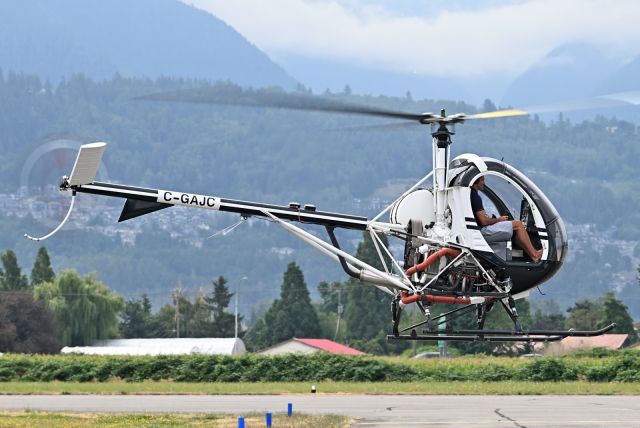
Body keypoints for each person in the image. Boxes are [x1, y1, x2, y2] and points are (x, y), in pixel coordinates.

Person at [470, 176, 543, 262]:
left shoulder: (471, 194)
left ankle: (530, 254)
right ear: (475, 182)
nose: (484, 183)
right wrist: (498, 220)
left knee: (516, 233)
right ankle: (535, 254)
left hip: (478, 229)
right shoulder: (475, 196)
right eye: (482, 180)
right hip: (482, 231)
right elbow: (483, 221)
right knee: (518, 224)